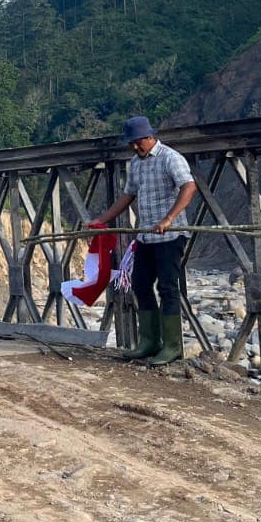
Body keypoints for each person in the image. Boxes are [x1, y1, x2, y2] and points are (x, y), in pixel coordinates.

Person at [91, 115, 197, 365]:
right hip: (146, 237)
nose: (135, 147)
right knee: (140, 284)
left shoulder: (170, 158)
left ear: (150, 137)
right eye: (131, 144)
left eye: (138, 142)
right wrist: (102, 220)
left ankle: (172, 346)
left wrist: (170, 218)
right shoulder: (135, 163)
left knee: (168, 288)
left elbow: (189, 186)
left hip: (170, 235)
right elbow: (128, 195)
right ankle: (149, 341)